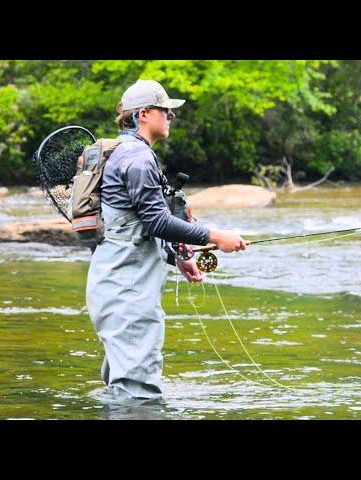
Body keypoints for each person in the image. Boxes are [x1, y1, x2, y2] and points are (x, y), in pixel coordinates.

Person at [86, 79, 247, 400]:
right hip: (128, 293)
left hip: (112, 286)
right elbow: (157, 221)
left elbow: (138, 222)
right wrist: (216, 235)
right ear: (144, 114)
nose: (171, 117)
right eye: (165, 111)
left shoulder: (119, 152)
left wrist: (178, 258)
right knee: (138, 395)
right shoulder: (137, 159)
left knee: (121, 386)